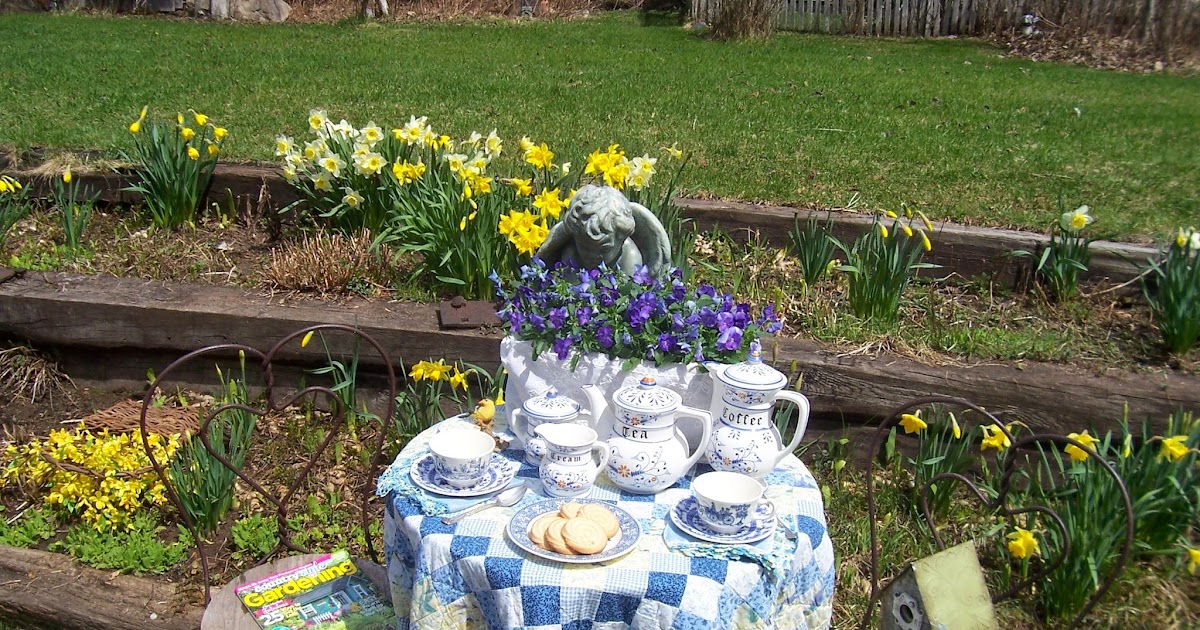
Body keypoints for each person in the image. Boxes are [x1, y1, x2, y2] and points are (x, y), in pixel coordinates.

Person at [536, 184, 672, 276]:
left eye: (604, 250)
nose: (591, 255)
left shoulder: (630, 257)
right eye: (584, 247)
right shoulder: (572, 253)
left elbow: (628, 297)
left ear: (621, 239)